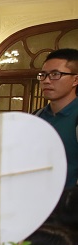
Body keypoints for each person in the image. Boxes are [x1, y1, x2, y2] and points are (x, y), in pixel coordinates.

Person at [37, 48, 78, 187]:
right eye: (43, 75)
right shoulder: (37, 116)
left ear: (75, 80)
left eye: (55, 74)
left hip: (69, 198)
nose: (46, 81)